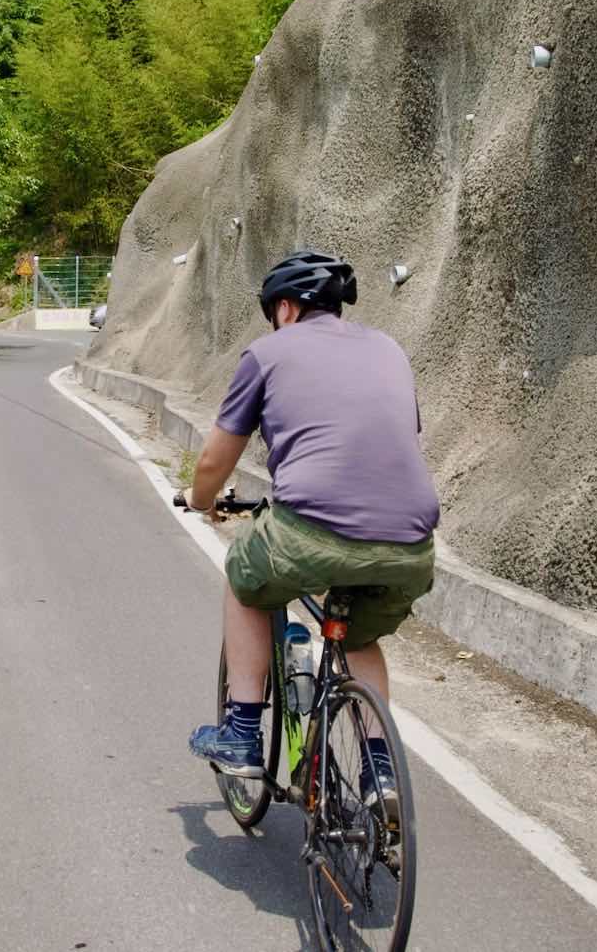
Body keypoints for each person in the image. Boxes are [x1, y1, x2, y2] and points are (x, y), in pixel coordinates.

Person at [181, 250, 441, 810]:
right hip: (413, 543)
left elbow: (212, 465)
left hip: (314, 526)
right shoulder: (389, 349)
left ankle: (242, 732)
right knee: (360, 637)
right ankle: (380, 777)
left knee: (244, 579)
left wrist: (199, 501)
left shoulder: (268, 352)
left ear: (286, 307)